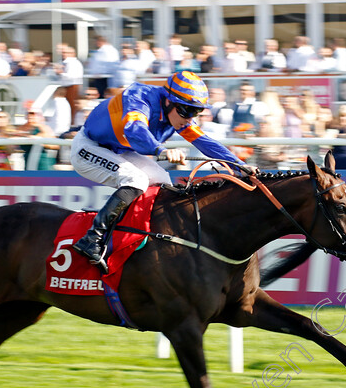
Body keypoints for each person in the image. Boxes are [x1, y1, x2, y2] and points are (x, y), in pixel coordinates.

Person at [70, 71, 246, 272]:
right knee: (135, 179)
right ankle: (93, 238)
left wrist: (239, 165)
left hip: (118, 149)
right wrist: (160, 150)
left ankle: (147, 238)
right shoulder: (139, 97)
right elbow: (135, 130)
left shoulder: (179, 115)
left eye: (196, 112)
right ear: (169, 102)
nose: (191, 118)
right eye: (188, 110)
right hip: (88, 148)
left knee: (163, 181)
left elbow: (205, 142)